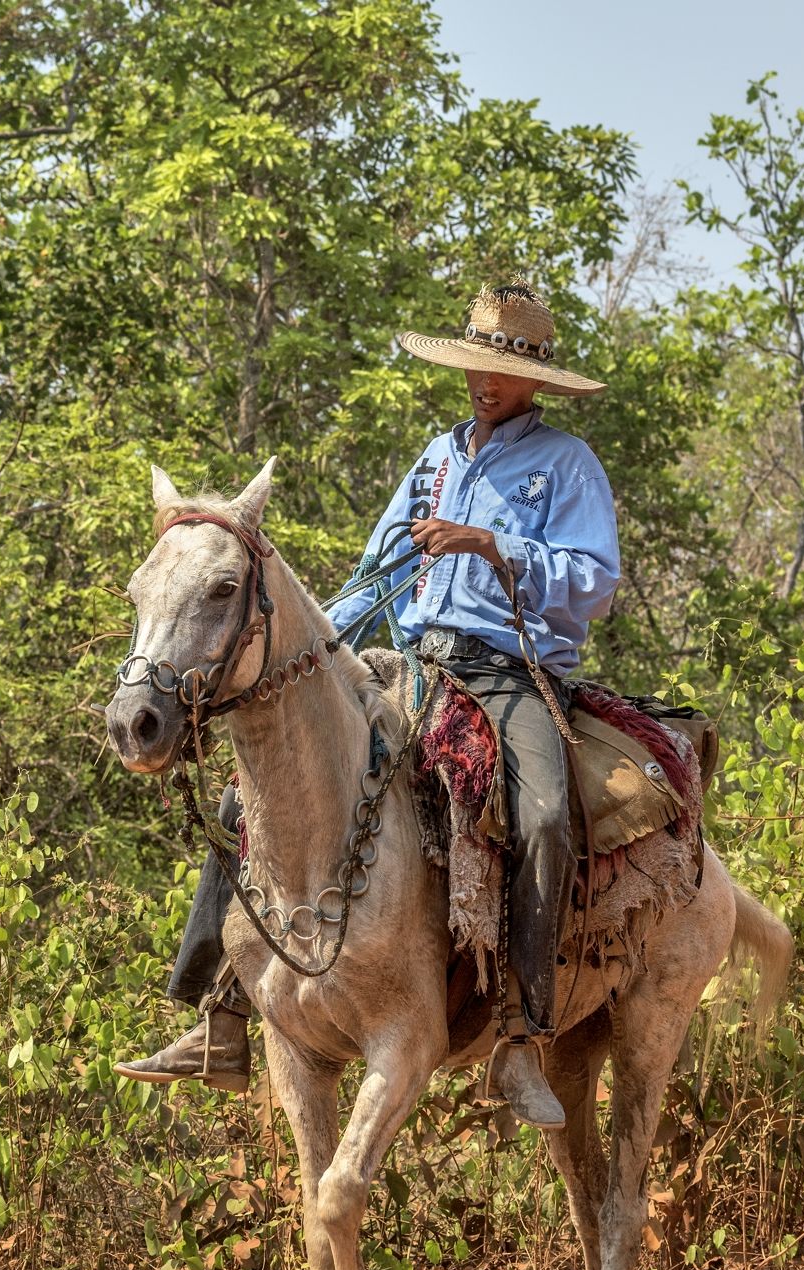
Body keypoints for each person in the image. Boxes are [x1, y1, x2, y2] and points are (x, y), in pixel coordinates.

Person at [113, 284, 618, 1131]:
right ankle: (222, 1013)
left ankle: (523, 1038)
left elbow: (594, 581)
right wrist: (317, 646)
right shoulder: (437, 459)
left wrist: (496, 545)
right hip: (409, 661)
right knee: (261, 786)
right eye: (475, 368)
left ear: (535, 382)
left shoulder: (567, 467)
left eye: (501, 373)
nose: (483, 384)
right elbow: (372, 570)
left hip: (509, 672)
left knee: (542, 810)